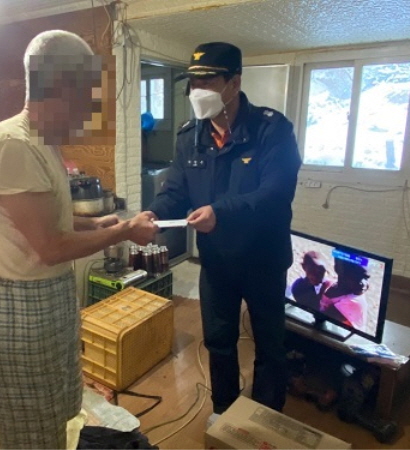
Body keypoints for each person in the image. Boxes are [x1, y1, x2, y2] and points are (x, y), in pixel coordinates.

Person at [0, 30, 158, 449]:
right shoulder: (13, 143)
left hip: (46, 298)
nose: (89, 107)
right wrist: (124, 231)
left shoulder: (44, 143)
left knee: (59, 409)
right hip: (18, 306)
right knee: (31, 422)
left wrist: (94, 224)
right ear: (59, 84)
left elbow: (44, 219)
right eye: (87, 93)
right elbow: (50, 246)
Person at [145, 42, 302, 421]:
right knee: (219, 340)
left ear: (234, 83)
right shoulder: (190, 136)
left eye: (208, 81)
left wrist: (220, 212)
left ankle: (267, 418)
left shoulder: (272, 130)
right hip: (217, 261)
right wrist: (152, 214)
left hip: (264, 258)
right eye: (193, 83)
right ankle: (224, 412)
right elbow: (176, 191)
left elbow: (275, 194)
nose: (196, 91)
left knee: (270, 344)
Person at [319, 258, 370, 331]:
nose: (362, 283)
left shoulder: (353, 302)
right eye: (356, 276)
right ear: (337, 268)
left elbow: (324, 316)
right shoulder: (334, 286)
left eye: (366, 277)